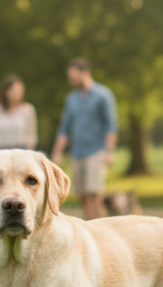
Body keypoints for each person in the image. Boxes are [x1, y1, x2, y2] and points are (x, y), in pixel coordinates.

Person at [51, 58, 118, 220]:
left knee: (95, 195)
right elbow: (64, 128)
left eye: (74, 76)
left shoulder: (103, 95)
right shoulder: (71, 99)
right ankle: (90, 228)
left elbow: (111, 125)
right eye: (70, 76)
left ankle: (100, 231)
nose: (71, 80)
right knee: (83, 196)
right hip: (77, 152)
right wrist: (57, 154)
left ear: (85, 73)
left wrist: (109, 151)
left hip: (96, 151)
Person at [0, 74, 37, 151]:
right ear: (6, 92)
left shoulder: (28, 110)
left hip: (21, 151)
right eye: (15, 91)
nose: (18, 94)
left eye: (20, 91)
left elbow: (32, 138)